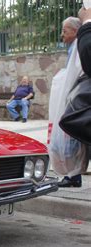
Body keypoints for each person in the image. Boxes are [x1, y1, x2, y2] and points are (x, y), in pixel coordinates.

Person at [48, 17, 85, 188]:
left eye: (65, 31)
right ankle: (73, 175)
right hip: (75, 97)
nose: (62, 35)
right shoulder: (75, 46)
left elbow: (76, 73)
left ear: (75, 31)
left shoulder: (79, 45)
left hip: (77, 98)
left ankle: (74, 175)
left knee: (73, 138)